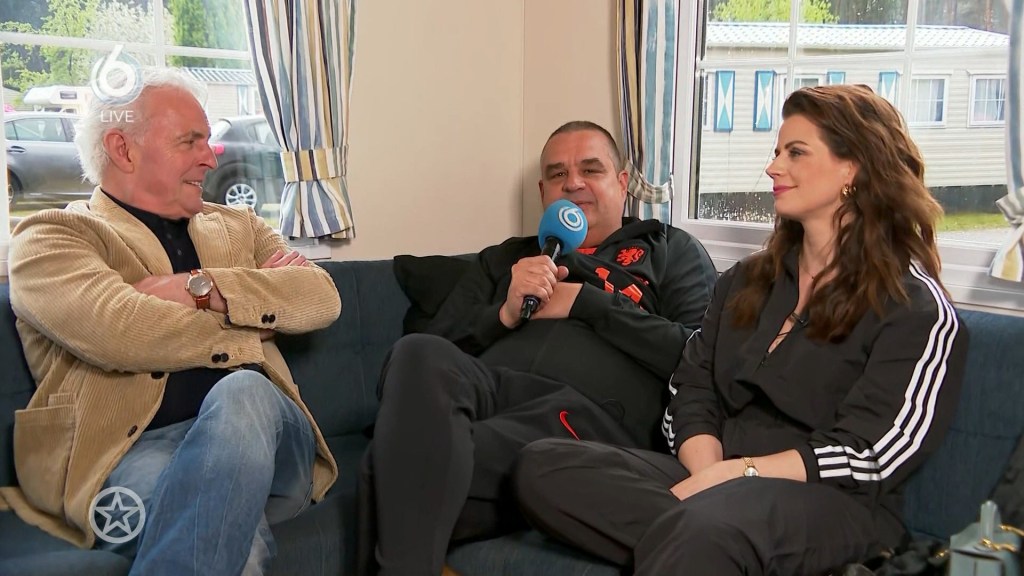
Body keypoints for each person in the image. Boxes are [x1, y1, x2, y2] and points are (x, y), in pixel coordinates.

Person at [514, 85, 969, 575]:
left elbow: (874, 453)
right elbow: (690, 388)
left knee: (704, 530)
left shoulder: (916, 309)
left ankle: (703, 541)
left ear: (852, 169)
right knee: (543, 466)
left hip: (827, 500)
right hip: (716, 477)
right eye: (777, 152)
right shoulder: (746, 281)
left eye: (795, 153)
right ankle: (708, 548)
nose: (773, 167)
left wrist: (740, 476)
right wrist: (710, 474)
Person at [2, 67, 341, 575]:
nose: (212, 157)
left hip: (273, 443)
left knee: (244, 391)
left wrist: (197, 286)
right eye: (190, 141)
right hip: (125, 455)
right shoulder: (53, 237)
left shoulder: (238, 224)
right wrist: (254, 322)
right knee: (223, 525)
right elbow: (120, 330)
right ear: (123, 149)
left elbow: (320, 295)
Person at [359, 121, 718, 575]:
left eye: (591, 169)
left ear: (623, 183)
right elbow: (435, 343)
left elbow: (699, 357)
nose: (573, 183)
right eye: (557, 173)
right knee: (417, 353)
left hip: (583, 418)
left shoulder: (668, 249)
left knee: (387, 471)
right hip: (489, 394)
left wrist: (586, 303)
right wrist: (504, 314)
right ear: (543, 191)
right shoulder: (506, 258)